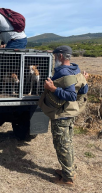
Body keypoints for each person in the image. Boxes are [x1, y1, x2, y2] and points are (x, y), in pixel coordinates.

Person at [38, 45, 89, 186]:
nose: (54, 59)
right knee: (68, 143)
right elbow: (83, 88)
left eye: (55, 56)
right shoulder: (75, 69)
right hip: (71, 112)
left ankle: (67, 179)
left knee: (62, 145)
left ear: (60, 56)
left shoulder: (64, 72)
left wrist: (52, 89)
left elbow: (71, 95)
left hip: (62, 114)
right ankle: (69, 170)